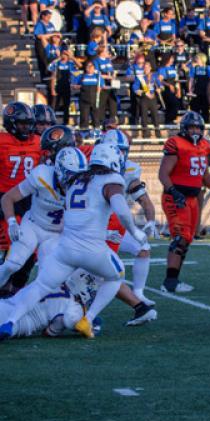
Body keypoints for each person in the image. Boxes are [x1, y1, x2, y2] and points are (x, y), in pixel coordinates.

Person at [0, 143, 148, 340]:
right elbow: (119, 211)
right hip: (83, 244)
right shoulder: (109, 180)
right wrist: (135, 232)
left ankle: (11, 322)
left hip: (64, 245)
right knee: (115, 276)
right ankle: (88, 318)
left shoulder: (79, 181)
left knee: (42, 285)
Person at [0, 125, 74, 290]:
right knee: (12, 263)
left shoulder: (84, 176)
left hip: (56, 234)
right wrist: (12, 222)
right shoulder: (42, 173)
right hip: (34, 225)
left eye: (49, 152)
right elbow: (8, 198)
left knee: (50, 278)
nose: (46, 156)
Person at [101, 129, 158, 324]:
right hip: (94, 226)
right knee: (99, 270)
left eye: (122, 150)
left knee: (143, 247)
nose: (119, 154)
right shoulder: (94, 168)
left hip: (117, 225)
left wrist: (150, 221)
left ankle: (138, 294)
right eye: (116, 150)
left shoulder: (130, 170)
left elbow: (144, 199)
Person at [159, 112, 210, 293]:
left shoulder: (204, 145)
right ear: (184, 128)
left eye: (198, 127)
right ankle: (169, 282)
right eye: (191, 127)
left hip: (192, 198)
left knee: (187, 239)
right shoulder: (175, 143)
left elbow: (203, 175)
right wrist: (173, 192)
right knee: (180, 238)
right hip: (176, 196)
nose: (195, 131)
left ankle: (174, 279)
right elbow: (163, 174)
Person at [0, 103, 43, 295]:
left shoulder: (38, 142)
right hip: (6, 200)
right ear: (11, 123)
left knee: (32, 252)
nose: (27, 128)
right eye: (22, 124)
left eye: (29, 124)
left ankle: (15, 288)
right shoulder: (2, 141)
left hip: (30, 201)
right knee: (15, 247)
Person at [48, 49, 81, 125]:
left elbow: (79, 65)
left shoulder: (70, 64)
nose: (65, 56)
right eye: (63, 54)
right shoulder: (57, 63)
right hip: (58, 86)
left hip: (67, 86)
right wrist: (59, 57)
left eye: (66, 54)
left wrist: (72, 57)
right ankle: (52, 122)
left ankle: (65, 122)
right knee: (54, 105)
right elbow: (50, 68)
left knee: (66, 105)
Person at [71, 60, 105, 132]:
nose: (89, 68)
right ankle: (84, 133)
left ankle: (96, 133)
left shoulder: (97, 76)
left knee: (96, 118)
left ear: (94, 68)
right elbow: (73, 85)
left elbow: (102, 86)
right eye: (88, 66)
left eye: (91, 66)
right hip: (84, 99)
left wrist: (100, 88)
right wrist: (77, 86)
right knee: (84, 117)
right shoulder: (81, 76)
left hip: (95, 99)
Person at [132, 61, 161, 139]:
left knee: (155, 117)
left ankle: (158, 135)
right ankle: (145, 136)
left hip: (153, 98)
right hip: (144, 99)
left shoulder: (155, 76)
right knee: (144, 118)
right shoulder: (140, 77)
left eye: (148, 67)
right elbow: (135, 89)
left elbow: (160, 86)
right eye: (145, 67)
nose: (146, 69)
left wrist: (159, 89)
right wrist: (144, 93)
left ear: (150, 68)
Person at [34, 10, 60, 82]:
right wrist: (51, 35)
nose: (49, 18)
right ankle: (44, 77)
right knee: (43, 60)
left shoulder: (50, 24)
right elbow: (39, 35)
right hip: (41, 44)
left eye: (50, 17)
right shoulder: (39, 24)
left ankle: (52, 76)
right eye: (48, 17)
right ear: (43, 16)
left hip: (49, 43)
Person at [188, 53, 210, 122]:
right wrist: (190, 90)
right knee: (194, 107)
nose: (196, 60)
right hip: (197, 91)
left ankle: (205, 122)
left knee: (205, 108)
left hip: (206, 91)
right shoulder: (194, 68)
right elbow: (191, 80)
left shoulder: (208, 68)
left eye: (198, 59)